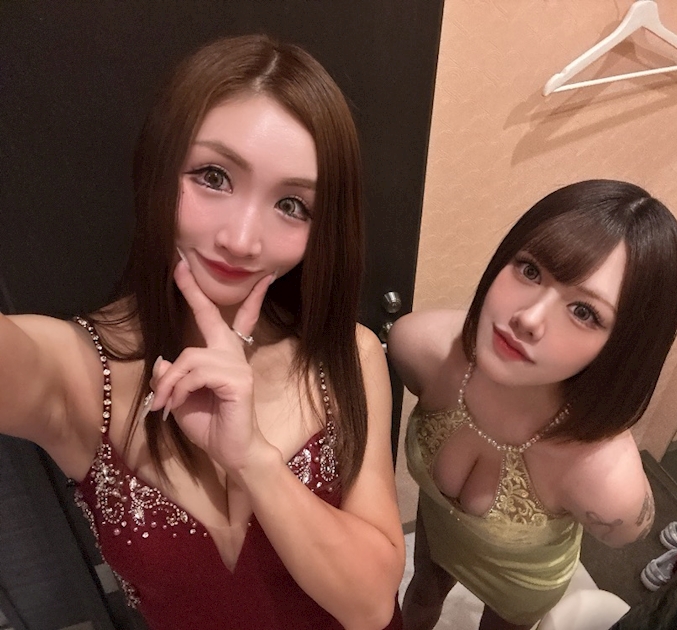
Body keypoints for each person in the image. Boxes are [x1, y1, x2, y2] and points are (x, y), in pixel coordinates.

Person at [0, 34, 404, 630]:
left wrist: (255, 462)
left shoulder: (346, 353)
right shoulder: (79, 372)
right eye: (213, 176)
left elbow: (370, 607)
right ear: (159, 168)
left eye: (292, 205)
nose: (241, 240)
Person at [389, 179, 677, 630]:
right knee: (419, 597)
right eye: (530, 270)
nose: (528, 319)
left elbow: (627, 527)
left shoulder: (609, 486)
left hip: (519, 585)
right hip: (437, 536)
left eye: (584, 312)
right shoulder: (421, 349)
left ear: (625, 347)